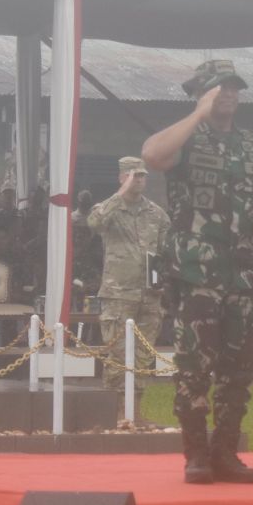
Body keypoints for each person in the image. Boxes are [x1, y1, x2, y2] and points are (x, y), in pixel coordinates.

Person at [142, 59, 253, 484]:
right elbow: (152, 155)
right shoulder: (186, 137)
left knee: (239, 369)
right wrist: (197, 114)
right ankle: (196, 455)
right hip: (197, 271)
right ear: (201, 92)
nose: (229, 93)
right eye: (219, 87)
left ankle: (226, 452)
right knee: (195, 366)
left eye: (234, 87)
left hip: (243, 271)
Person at [86, 157, 171, 415]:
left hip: (149, 295)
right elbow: (95, 223)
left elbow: (166, 251)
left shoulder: (156, 214)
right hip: (118, 294)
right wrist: (120, 194)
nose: (140, 180)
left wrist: (162, 280)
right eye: (134, 175)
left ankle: (134, 410)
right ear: (122, 177)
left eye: (143, 176)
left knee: (143, 356)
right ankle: (113, 412)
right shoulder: (109, 209)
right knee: (118, 355)